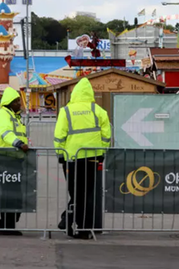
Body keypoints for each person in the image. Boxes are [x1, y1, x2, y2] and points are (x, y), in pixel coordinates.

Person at [54, 78, 111, 240]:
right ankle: (81, 227)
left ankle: (69, 220)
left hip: (71, 159)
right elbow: (106, 136)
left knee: (76, 193)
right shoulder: (99, 111)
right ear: (90, 93)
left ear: (75, 94)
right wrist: (102, 153)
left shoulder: (66, 111)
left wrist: (60, 155)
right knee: (86, 195)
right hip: (92, 159)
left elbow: (59, 137)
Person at [0, 87, 29, 236]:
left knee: (14, 195)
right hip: (4, 159)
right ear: (9, 102)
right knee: (9, 195)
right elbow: (6, 133)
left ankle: (9, 224)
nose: (20, 103)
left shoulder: (14, 116)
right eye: (17, 101)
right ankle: (6, 226)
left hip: (13, 159)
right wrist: (19, 144)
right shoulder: (2, 115)